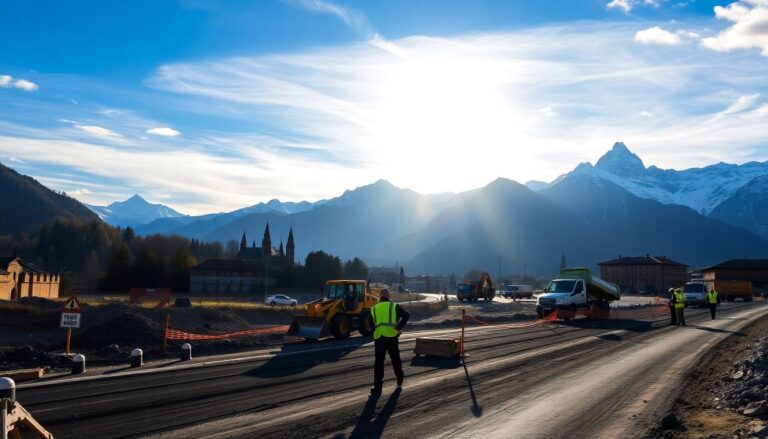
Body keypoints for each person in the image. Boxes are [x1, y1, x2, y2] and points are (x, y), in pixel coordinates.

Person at [369, 288, 410, 396]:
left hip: (379, 338)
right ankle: (399, 379)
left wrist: (375, 331)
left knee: (379, 363)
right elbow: (406, 315)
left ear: (380, 296)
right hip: (391, 336)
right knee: (395, 359)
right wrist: (398, 328)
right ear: (388, 296)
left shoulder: (373, 308)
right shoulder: (393, 306)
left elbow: (370, 322)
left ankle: (377, 388)